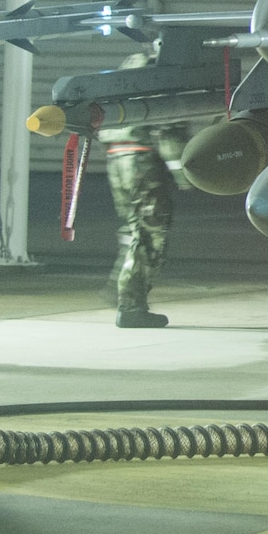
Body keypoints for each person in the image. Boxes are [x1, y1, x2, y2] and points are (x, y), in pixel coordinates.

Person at [98, 52, 192, 328]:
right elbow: (168, 128)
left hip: (118, 157)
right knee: (150, 232)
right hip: (142, 162)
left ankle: (119, 284)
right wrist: (182, 173)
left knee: (132, 228)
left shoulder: (127, 68)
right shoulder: (160, 72)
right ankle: (131, 305)